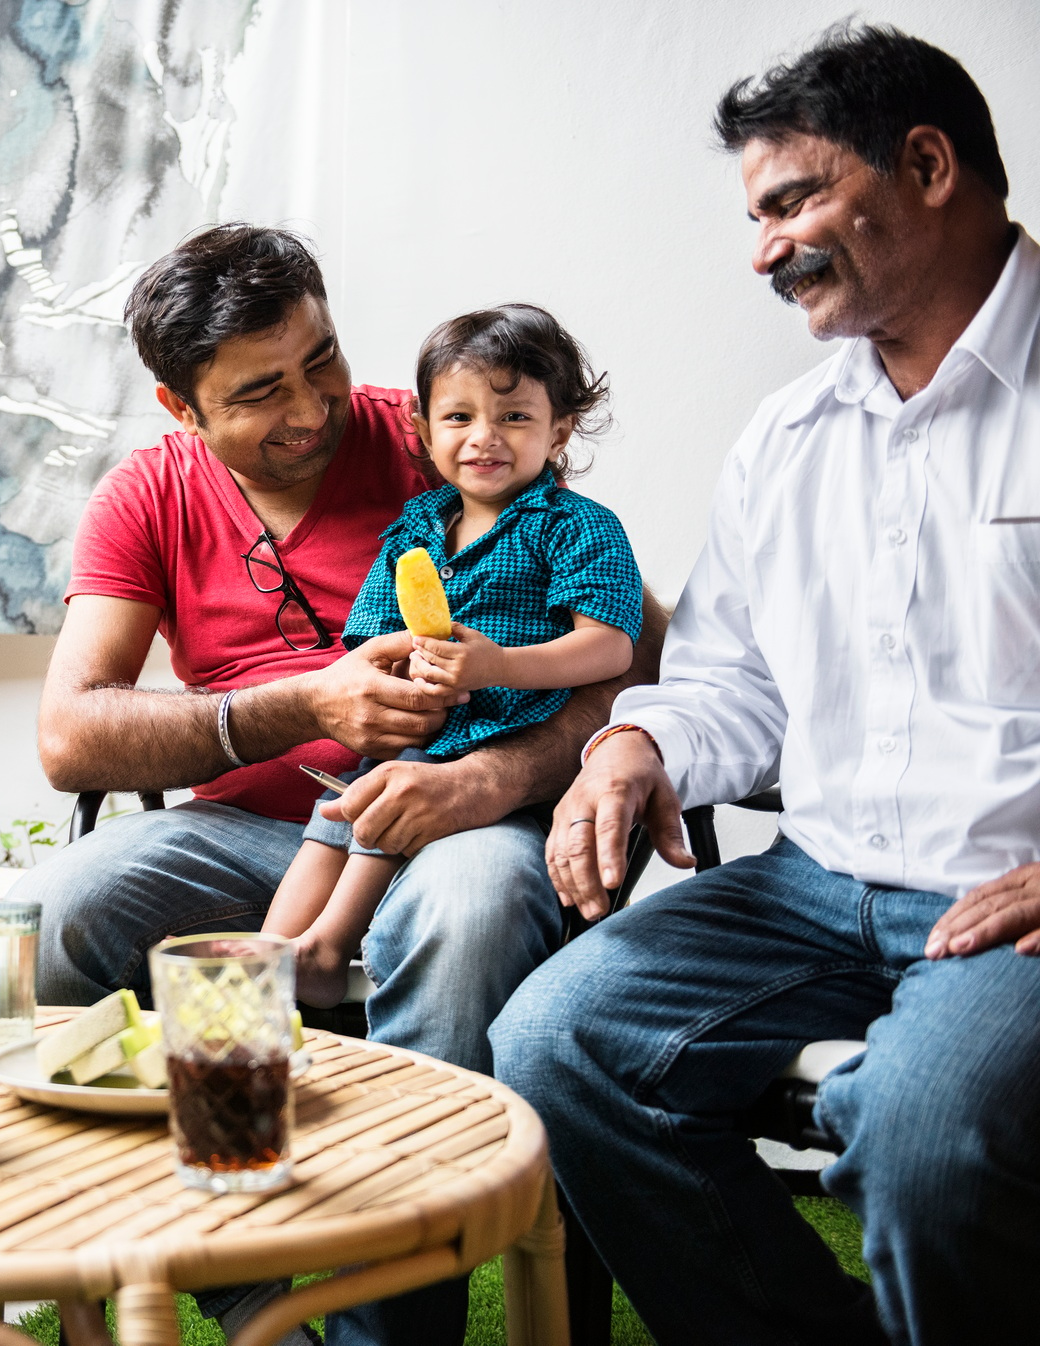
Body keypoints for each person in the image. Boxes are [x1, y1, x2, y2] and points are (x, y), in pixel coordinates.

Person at [491, 25, 1040, 1346]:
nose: (763, 248)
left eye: (791, 200)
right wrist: (637, 751)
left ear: (926, 165)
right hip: (819, 883)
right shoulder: (787, 439)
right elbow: (732, 680)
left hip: (1010, 902)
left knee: (925, 1130)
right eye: (756, 214)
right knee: (556, 1039)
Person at [13, 223, 660, 1346]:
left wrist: (494, 774)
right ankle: (223, 1281)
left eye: (319, 357)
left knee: (464, 914)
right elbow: (71, 735)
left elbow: (636, 652)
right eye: (260, 391)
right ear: (183, 408)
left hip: (462, 818)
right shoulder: (146, 495)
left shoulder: (435, 430)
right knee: (62, 908)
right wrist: (301, 704)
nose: (312, 406)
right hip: (263, 833)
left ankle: (382, 1332)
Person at [264, 306, 641, 1007]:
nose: (484, 439)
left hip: (502, 746)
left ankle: (326, 949)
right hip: (419, 730)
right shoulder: (414, 528)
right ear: (424, 429)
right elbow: (369, 636)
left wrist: (497, 666)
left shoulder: (576, 526)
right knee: (340, 805)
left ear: (559, 429)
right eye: (459, 418)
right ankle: (265, 957)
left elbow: (611, 644)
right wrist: (399, 671)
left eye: (515, 418)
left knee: (388, 796)